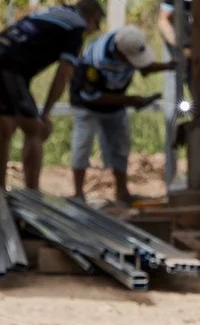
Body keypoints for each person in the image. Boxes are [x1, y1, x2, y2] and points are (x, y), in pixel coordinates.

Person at [0, 0, 102, 192]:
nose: (92, 32)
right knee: (36, 130)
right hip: (5, 67)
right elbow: (62, 75)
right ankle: (33, 195)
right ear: (92, 18)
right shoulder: (76, 28)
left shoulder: (52, 12)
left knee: (5, 130)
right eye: (96, 27)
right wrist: (45, 114)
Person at [66, 25, 172, 208]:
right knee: (82, 145)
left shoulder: (128, 46)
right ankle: (78, 194)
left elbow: (144, 67)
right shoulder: (95, 60)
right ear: (120, 54)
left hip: (116, 105)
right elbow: (92, 96)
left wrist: (168, 66)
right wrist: (130, 100)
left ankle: (122, 193)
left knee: (120, 146)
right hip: (87, 105)